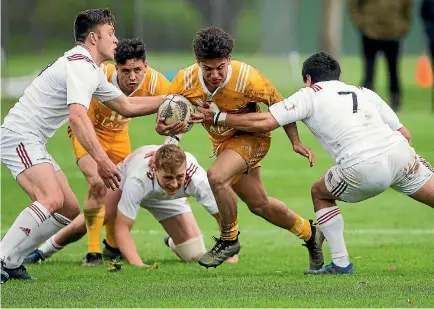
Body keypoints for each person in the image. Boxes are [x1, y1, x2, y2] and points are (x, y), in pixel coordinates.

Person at [193, 51, 434, 274]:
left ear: (308, 78)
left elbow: (265, 122)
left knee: (320, 192)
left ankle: (340, 264)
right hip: (401, 154)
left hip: (362, 166)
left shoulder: (309, 94)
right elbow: (405, 134)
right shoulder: (363, 91)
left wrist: (216, 117)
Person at [0, 8, 177, 284]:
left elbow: (126, 105)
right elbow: (77, 116)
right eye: (110, 33)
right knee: (50, 199)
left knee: (68, 209)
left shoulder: (91, 70)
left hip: (32, 139)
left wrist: (174, 99)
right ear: (94, 38)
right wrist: (103, 161)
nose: (116, 40)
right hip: (19, 135)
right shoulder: (81, 66)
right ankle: (2, 257)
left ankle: (11, 261)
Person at [156, 26, 324, 270]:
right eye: (208, 68)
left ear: (229, 60)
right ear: (198, 62)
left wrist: (295, 141)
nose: (215, 74)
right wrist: (167, 131)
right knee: (259, 204)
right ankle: (311, 233)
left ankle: (229, 239)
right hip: (224, 143)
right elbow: (173, 114)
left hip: (253, 137)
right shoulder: (185, 80)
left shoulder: (248, 78)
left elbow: (280, 104)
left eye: (220, 67)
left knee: (216, 176)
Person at [24, 145, 235, 266]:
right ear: (155, 169)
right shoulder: (138, 179)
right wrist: (139, 266)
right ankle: (43, 251)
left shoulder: (197, 179)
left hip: (170, 200)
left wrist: (231, 254)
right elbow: (123, 227)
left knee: (193, 254)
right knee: (90, 221)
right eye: (168, 177)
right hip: (123, 183)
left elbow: (223, 217)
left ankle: (172, 241)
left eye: (179, 177)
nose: (174, 183)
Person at [66, 37, 173, 265]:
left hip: (118, 135)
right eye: (125, 71)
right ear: (116, 67)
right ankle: (93, 252)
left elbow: (180, 104)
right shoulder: (99, 74)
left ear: (145, 65)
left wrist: (171, 139)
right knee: (96, 182)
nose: (132, 77)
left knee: (120, 187)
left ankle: (112, 246)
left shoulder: (156, 81)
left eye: (137, 70)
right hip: (88, 132)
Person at [348, 0, 413, 112]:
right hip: (370, 32)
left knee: (393, 69)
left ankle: (396, 100)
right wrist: (361, 24)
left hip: (393, 32)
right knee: (369, 69)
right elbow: (353, 6)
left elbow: (407, 8)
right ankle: (365, 101)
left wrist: (403, 27)